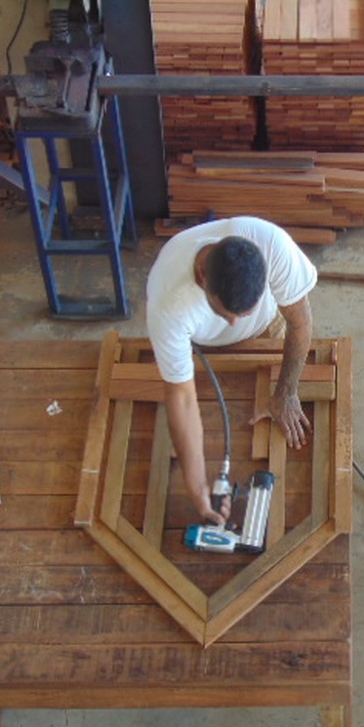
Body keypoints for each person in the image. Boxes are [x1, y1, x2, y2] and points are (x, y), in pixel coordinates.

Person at [146, 216, 317, 525]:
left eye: (243, 313)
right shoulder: (169, 306)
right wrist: (198, 489)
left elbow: (300, 322)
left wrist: (286, 392)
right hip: (202, 342)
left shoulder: (272, 243)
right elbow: (182, 399)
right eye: (226, 313)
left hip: (268, 327)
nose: (235, 322)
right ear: (202, 277)